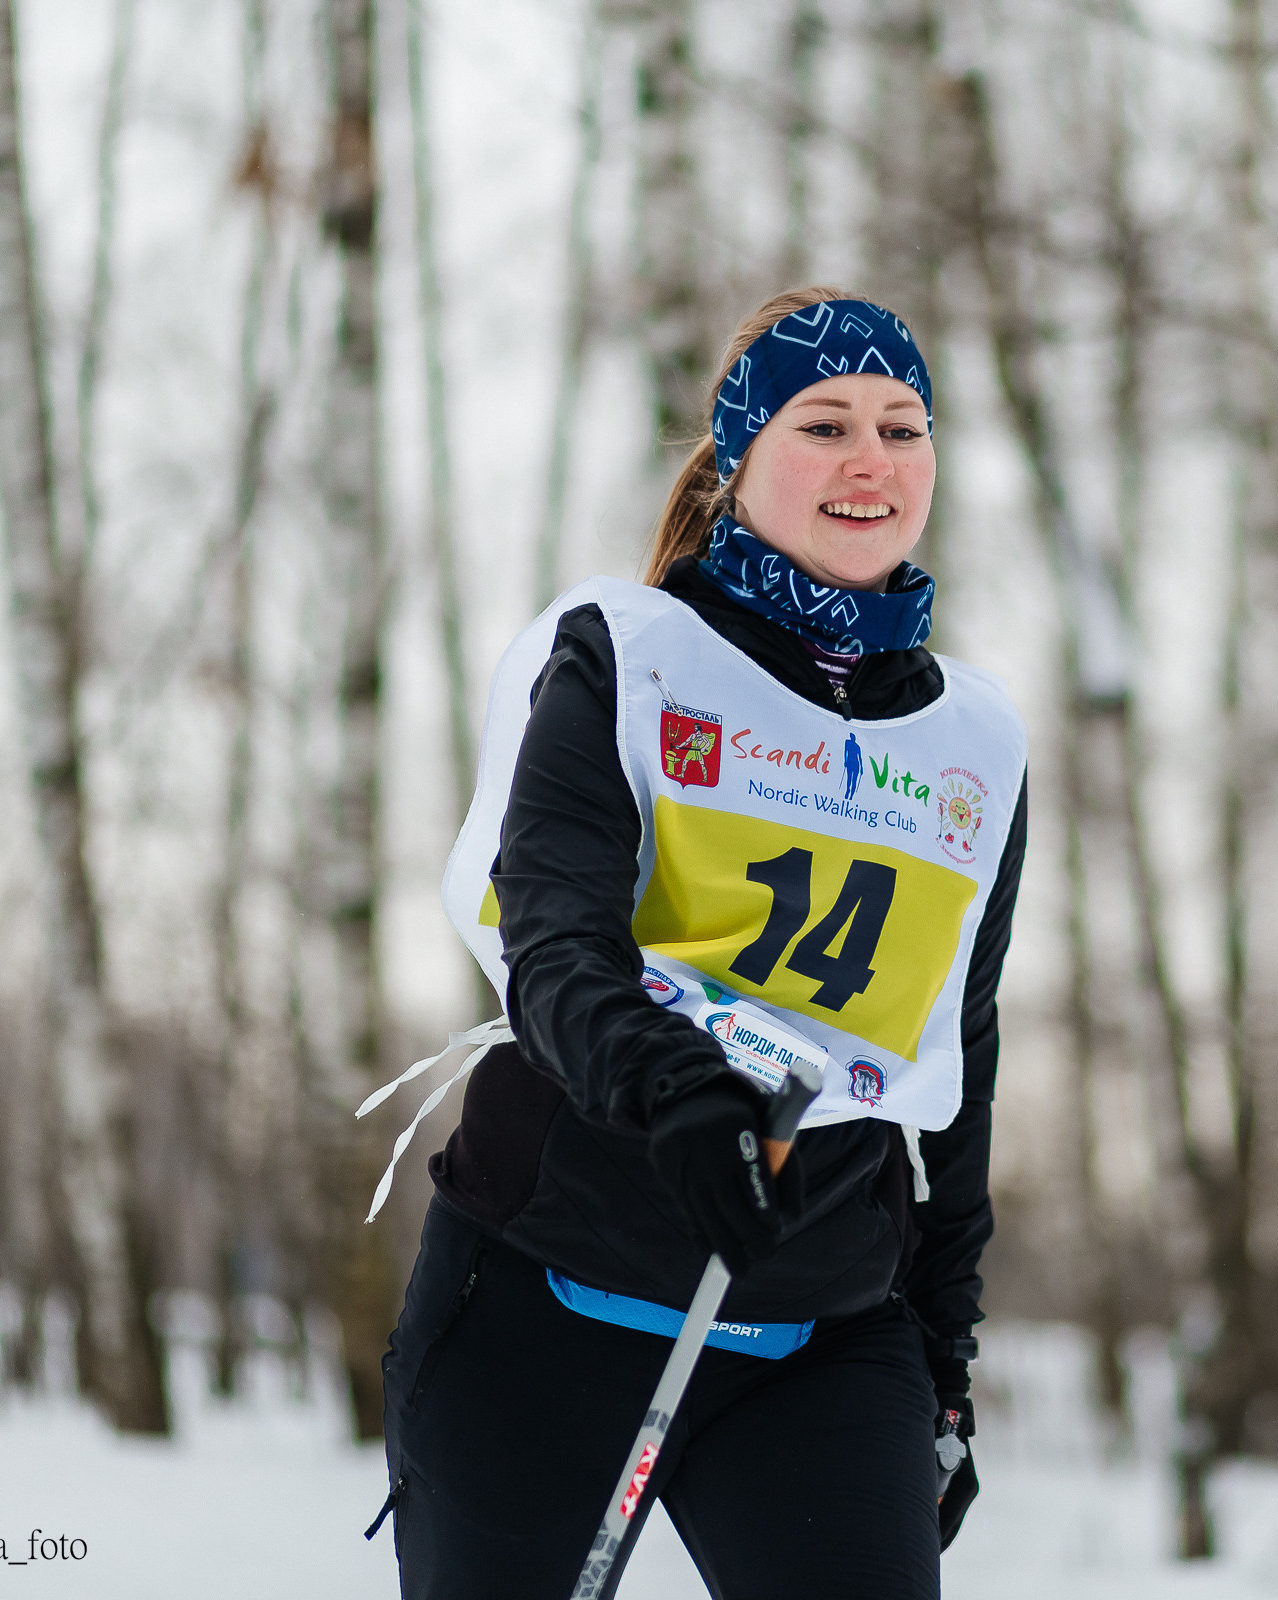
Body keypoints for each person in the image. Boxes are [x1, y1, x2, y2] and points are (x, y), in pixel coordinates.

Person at [375, 287, 1028, 1600]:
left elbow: (955, 1055)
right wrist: (678, 1091)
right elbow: (553, 939)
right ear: (740, 461)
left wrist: (945, 1365)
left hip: (819, 1329)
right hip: (547, 1293)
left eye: (904, 428)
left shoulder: (973, 743)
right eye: (826, 422)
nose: (872, 460)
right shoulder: (632, 656)